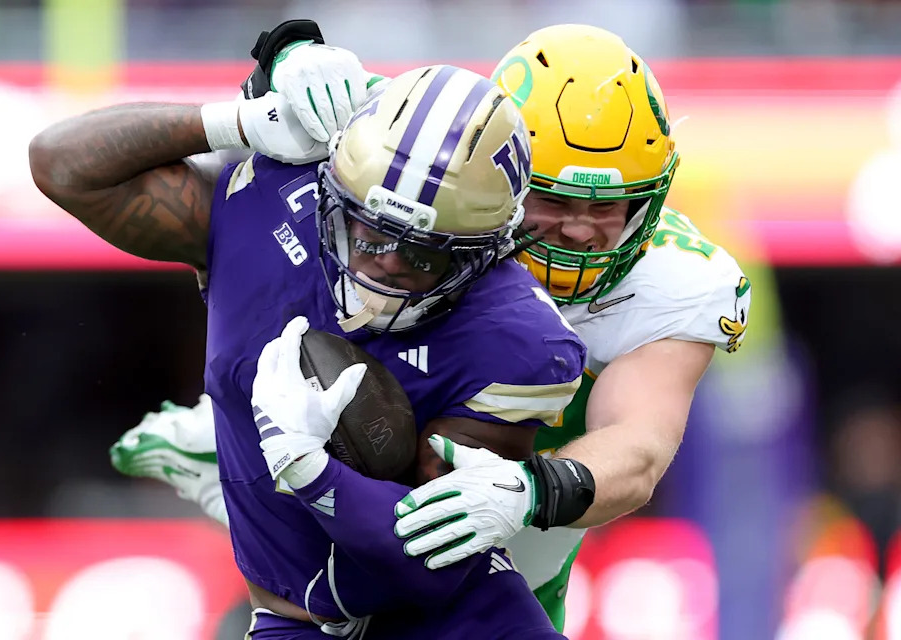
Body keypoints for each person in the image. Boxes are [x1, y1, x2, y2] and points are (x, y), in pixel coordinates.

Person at [110, 23, 752, 632]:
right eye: (554, 199)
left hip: (520, 477)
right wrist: (285, 63)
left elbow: (636, 444)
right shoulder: (432, 153)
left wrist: (529, 490)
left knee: (493, 571)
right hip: (389, 389)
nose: (581, 231)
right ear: (505, 171)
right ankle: (264, 438)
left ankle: (264, 458)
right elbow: (305, 108)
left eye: (609, 207)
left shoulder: (675, 279)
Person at [30, 57, 584, 639]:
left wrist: (310, 468)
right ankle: (223, 468)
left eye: (424, 254)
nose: (385, 265)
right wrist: (237, 122)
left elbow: (432, 565)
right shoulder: (263, 204)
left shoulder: (517, 340)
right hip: (291, 621)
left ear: (487, 250)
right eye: (369, 232)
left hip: (450, 622)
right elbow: (60, 166)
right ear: (329, 194)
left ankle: (221, 467)